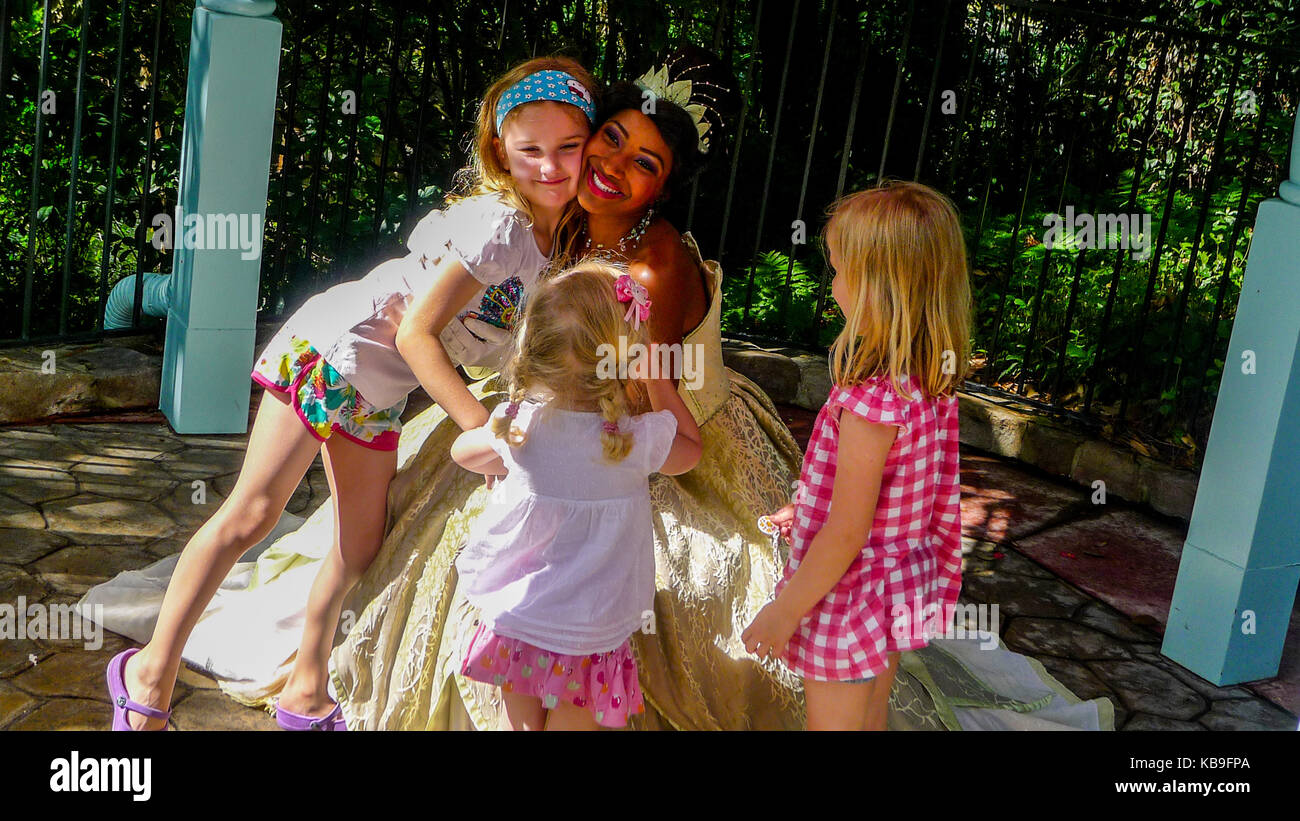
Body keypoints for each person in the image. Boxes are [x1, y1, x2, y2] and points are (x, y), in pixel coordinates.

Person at [102, 55, 599, 731]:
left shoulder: (553, 244)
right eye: (530, 149)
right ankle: (150, 670)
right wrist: (480, 429)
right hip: (333, 351)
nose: (550, 166)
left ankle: (305, 687)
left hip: (376, 389)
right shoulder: (500, 226)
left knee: (359, 545)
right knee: (249, 514)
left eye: (568, 147)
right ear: (500, 154)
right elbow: (419, 333)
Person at [743, 181, 969, 731]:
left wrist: (785, 609)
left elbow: (847, 530)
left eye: (840, 270)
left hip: (847, 596)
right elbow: (893, 491)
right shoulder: (928, 384)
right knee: (871, 713)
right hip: (893, 584)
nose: (834, 283)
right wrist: (804, 509)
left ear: (878, 287)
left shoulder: (871, 403)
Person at [451, 261, 702, 730]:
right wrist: (658, 383)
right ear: (626, 358)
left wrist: (500, 459)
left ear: (532, 348)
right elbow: (690, 451)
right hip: (591, 628)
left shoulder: (518, 423)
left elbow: (463, 453)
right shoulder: (632, 439)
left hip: (520, 616)